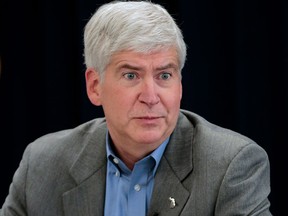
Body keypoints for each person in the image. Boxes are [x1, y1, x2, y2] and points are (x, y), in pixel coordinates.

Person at [0, 1, 271, 215]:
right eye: (131, 75)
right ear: (95, 86)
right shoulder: (43, 164)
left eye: (164, 75)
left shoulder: (231, 167)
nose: (151, 96)